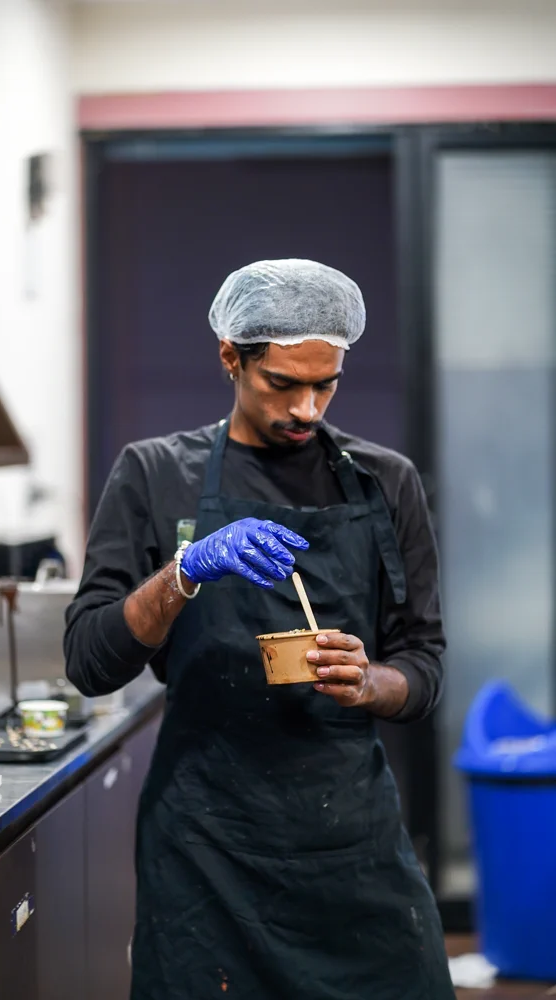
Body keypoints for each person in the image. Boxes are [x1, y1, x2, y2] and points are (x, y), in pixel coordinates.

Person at [65, 258, 455, 999]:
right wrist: (184, 572)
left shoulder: (385, 481)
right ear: (230, 359)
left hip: (350, 843)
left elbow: (425, 664)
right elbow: (89, 660)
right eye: (283, 384)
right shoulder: (154, 474)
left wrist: (373, 682)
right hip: (206, 848)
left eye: (326, 384)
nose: (307, 409)